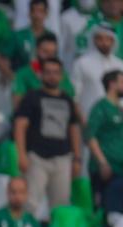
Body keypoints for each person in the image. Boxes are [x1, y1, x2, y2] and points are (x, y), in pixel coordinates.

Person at [14, 57, 82, 217]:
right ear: (41, 75)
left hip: (63, 158)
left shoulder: (67, 100)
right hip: (37, 158)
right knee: (30, 202)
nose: (52, 76)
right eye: (48, 72)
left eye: (56, 73)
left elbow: (74, 129)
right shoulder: (31, 97)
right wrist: (22, 154)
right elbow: (20, 125)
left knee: (61, 206)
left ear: (62, 76)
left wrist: (77, 158)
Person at [86, 70, 123, 198]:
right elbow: (90, 136)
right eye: (122, 82)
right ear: (112, 84)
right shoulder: (100, 107)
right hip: (105, 167)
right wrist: (102, 163)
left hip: (120, 166)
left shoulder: (119, 110)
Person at [71, 23, 123, 120]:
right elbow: (74, 96)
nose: (104, 43)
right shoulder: (82, 63)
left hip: (114, 121)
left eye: (108, 39)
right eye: (100, 39)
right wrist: (82, 120)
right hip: (89, 118)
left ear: (113, 41)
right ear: (94, 40)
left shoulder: (121, 65)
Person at [12, 33, 75, 109]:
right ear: (36, 50)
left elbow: (71, 99)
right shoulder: (24, 74)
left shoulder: (62, 74)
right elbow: (17, 103)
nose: (50, 56)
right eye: (45, 52)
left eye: (53, 53)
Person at [11, 0, 54, 71]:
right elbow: (3, 58)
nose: (37, 15)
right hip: (22, 78)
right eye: (34, 11)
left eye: (40, 11)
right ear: (29, 13)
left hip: (45, 79)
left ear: (46, 13)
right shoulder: (18, 36)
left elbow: (54, 61)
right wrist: (13, 77)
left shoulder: (51, 36)